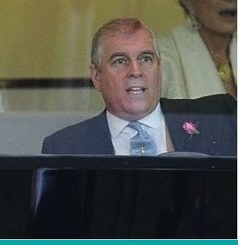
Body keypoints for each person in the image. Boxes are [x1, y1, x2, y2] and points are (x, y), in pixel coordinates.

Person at [41, 17, 237, 156]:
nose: (136, 71)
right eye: (120, 61)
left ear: (159, 69)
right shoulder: (65, 147)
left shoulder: (221, 117)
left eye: (145, 59)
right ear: (96, 76)